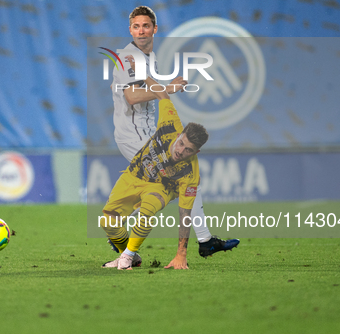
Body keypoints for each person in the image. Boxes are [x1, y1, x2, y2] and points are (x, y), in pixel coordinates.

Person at [108, 6, 237, 264]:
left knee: (180, 183)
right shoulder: (128, 57)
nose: (141, 31)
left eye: (146, 26)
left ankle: (121, 232)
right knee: (185, 179)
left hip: (146, 133)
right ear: (130, 30)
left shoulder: (148, 56)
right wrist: (167, 89)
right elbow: (131, 97)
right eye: (136, 26)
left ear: (155, 29)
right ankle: (203, 241)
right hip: (133, 135)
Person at [102, 81, 239, 270]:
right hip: (134, 175)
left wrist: (181, 254)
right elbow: (162, 94)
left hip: (160, 187)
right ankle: (130, 254)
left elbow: (185, 215)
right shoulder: (169, 122)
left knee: (148, 209)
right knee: (107, 222)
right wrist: (145, 74)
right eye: (181, 143)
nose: (181, 151)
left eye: (188, 150)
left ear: (196, 152)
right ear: (179, 134)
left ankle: (127, 256)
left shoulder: (190, 173)